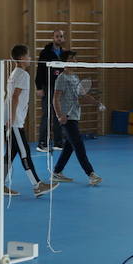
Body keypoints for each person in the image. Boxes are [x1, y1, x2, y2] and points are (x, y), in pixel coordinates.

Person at [0, 44, 56, 198]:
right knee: (25, 152)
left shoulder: (14, 73)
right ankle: (37, 185)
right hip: (14, 121)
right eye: (28, 56)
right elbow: (15, 97)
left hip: (11, 119)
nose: (30, 58)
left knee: (10, 155)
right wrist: (12, 118)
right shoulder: (23, 75)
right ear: (22, 58)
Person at [50, 50, 102, 185]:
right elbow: (55, 98)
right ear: (65, 62)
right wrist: (59, 115)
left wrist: (96, 102)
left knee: (69, 146)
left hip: (74, 115)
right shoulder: (62, 78)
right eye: (72, 59)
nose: (75, 61)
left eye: (75, 58)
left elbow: (83, 95)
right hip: (66, 118)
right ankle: (91, 174)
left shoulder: (75, 77)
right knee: (78, 144)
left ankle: (57, 172)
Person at [35, 30, 67, 152]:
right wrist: (39, 87)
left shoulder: (64, 53)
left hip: (60, 88)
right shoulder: (45, 53)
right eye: (57, 36)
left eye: (61, 37)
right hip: (48, 87)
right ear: (53, 38)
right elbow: (40, 70)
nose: (59, 38)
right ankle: (42, 143)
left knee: (59, 114)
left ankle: (59, 143)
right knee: (46, 115)